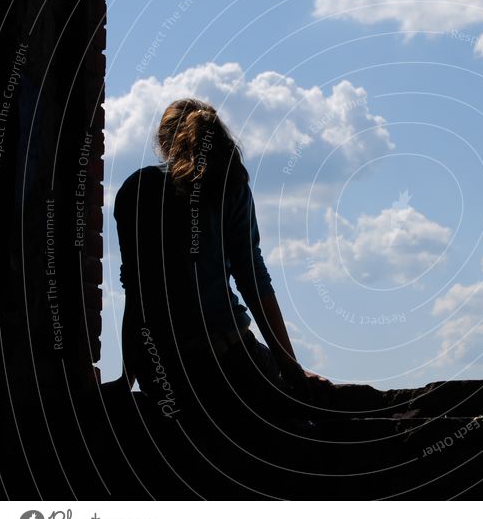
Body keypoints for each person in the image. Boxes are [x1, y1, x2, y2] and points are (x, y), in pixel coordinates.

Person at [112, 98, 330, 421]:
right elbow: (252, 277)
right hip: (226, 357)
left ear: (164, 143)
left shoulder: (135, 190)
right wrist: (291, 367)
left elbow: (137, 295)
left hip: (163, 371)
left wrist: (126, 380)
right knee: (303, 423)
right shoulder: (229, 184)